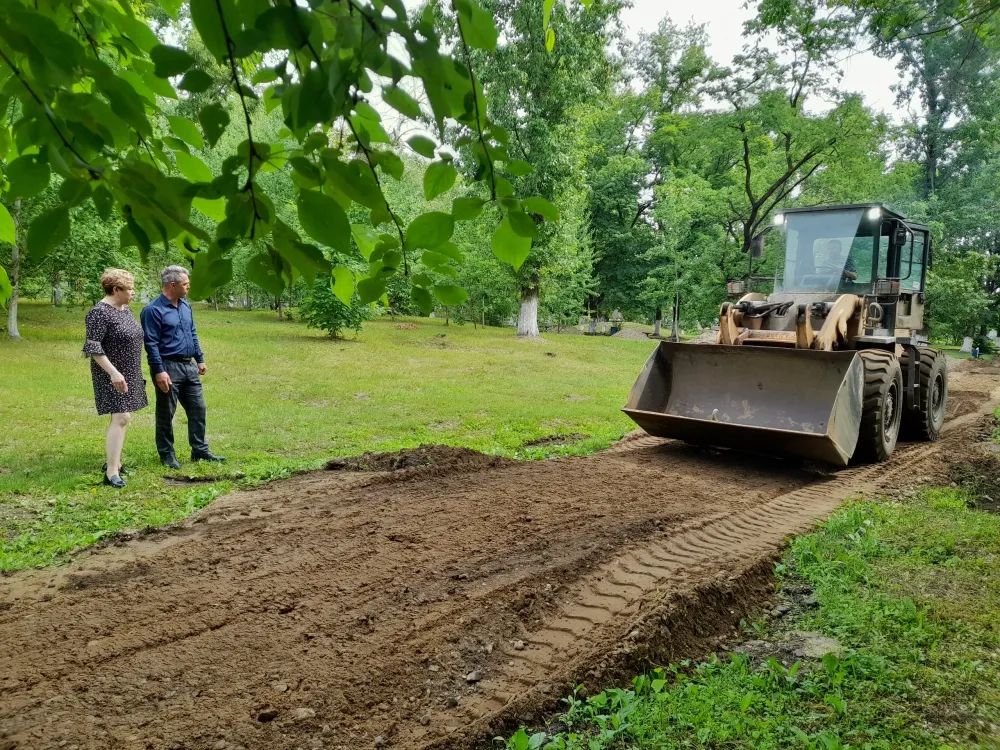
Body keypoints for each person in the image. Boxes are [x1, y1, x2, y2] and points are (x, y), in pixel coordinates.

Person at [140, 266, 225, 469]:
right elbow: (150, 343)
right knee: (166, 413)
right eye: (185, 284)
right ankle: (167, 455)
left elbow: (192, 333)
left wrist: (200, 359)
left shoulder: (186, 306)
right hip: (167, 367)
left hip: (189, 366)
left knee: (198, 409)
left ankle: (200, 450)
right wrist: (159, 371)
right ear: (172, 285)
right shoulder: (153, 310)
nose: (188, 287)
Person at [83, 269, 148, 488]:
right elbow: (93, 347)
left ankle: (116, 462)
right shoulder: (99, 313)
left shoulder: (124, 309)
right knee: (121, 417)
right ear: (116, 289)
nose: (133, 292)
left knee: (123, 418)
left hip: (129, 370)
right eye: (130, 289)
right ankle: (111, 472)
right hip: (110, 373)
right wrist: (113, 373)